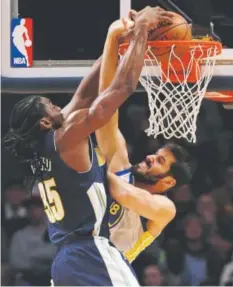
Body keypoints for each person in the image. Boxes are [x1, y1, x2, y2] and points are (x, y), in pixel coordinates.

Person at [4, 7, 174, 286]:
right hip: (89, 253)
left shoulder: (50, 144)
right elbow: (122, 88)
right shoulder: (67, 136)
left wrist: (115, 41)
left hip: (64, 262)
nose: (58, 104)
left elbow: (84, 95)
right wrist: (142, 29)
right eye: (51, 105)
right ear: (45, 122)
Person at [95, 8, 192, 262]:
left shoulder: (163, 210)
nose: (150, 157)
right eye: (156, 154)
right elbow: (105, 107)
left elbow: (124, 194)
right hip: (77, 265)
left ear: (168, 182)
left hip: (109, 276)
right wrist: (113, 39)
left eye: (160, 161)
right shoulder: (121, 164)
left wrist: (85, 173)